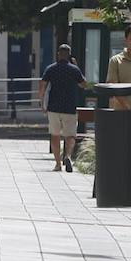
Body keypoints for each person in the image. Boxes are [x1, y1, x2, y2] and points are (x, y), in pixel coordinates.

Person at [40, 44, 86, 172]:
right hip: (70, 106)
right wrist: (77, 67)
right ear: (69, 55)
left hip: (54, 107)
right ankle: (68, 156)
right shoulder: (74, 70)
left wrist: (42, 102)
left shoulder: (51, 69)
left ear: (58, 54)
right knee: (70, 135)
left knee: (55, 135)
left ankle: (58, 164)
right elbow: (84, 84)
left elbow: (42, 85)